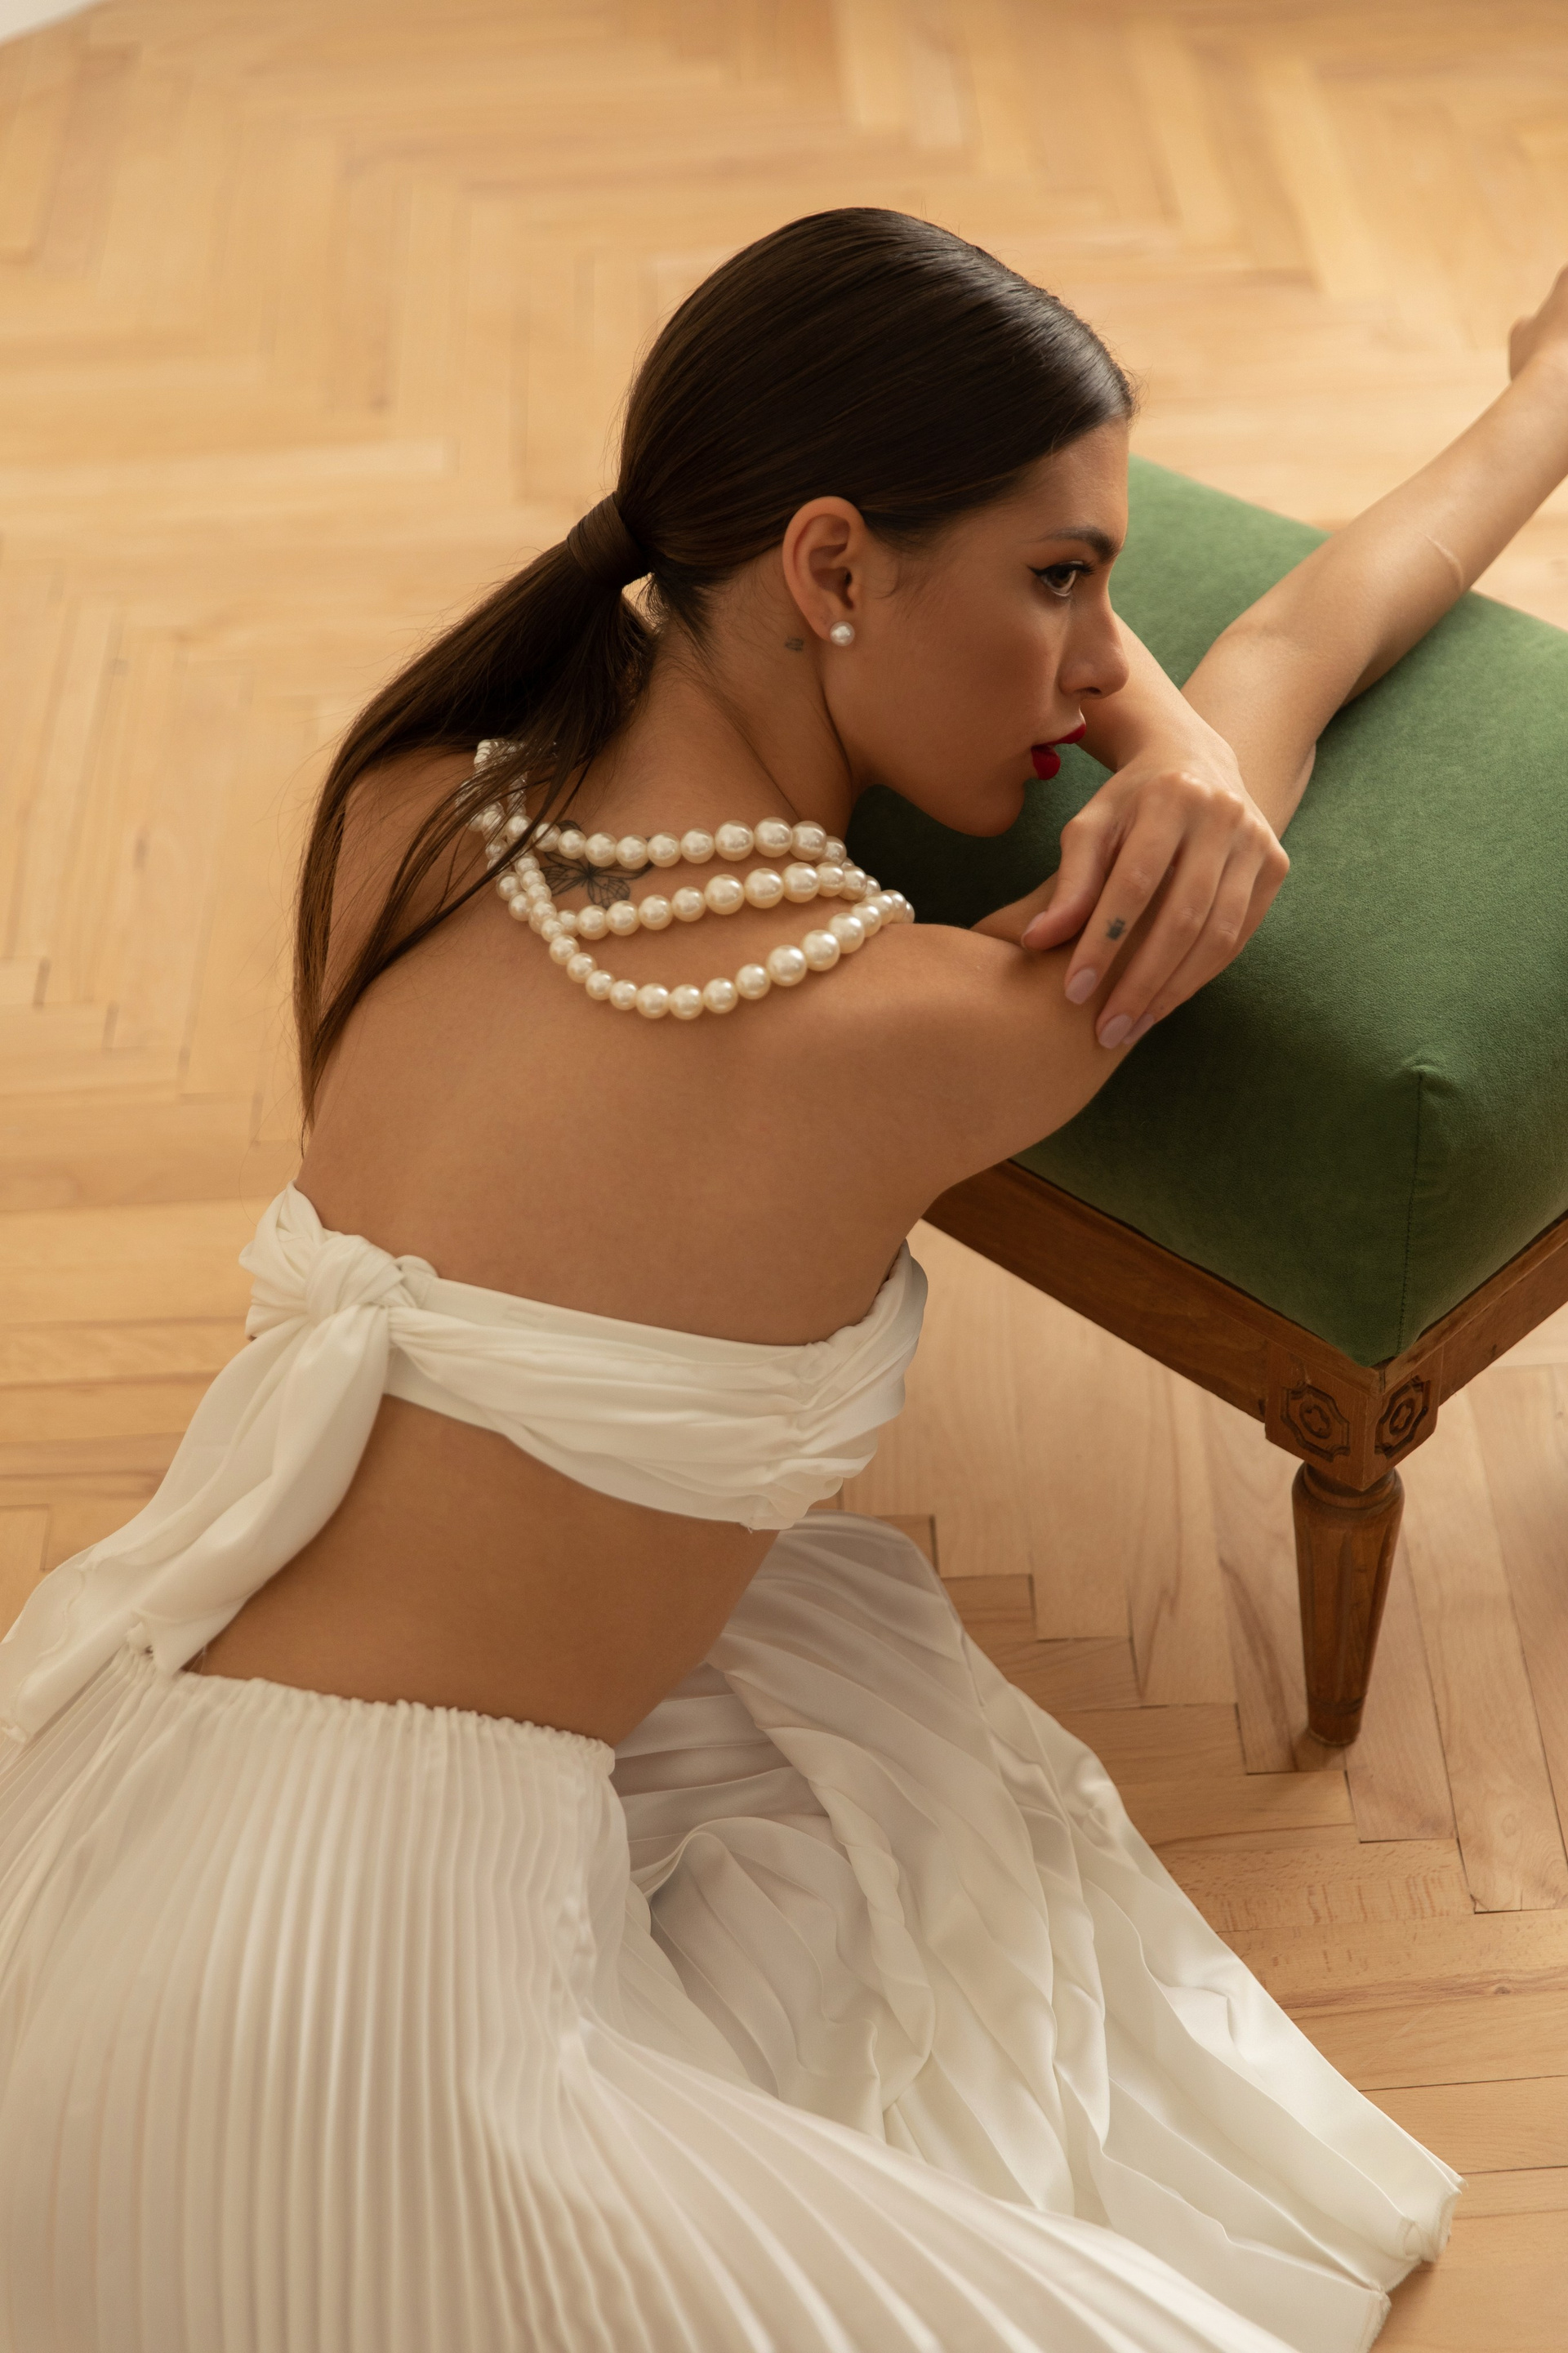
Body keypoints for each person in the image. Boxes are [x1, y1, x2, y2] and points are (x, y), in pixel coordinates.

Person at [3, 206, 1564, 2353]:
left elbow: (1174, 655)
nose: (1099, 662)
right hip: (362, 1991)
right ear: (828, 563)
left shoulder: (410, 804)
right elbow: (1290, 656)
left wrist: (1113, 656)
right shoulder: (911, 1031)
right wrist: (1229, 728)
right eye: (1060, 579)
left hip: (135, 1764)